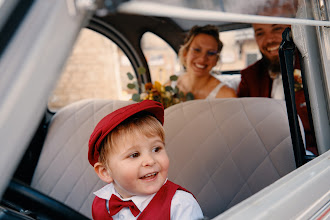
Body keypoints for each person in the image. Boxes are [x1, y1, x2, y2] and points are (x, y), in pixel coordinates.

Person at [88, 100, 204, 219]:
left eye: (156, 149)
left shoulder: (180, 204)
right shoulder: (102, 204)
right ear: (105, 172)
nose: (150, 161)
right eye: (134, 155)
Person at [237, 2, 318, 155]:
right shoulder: (250, 76)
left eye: (276, 29)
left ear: (293, 28)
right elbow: (241, 129)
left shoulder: (316, 66)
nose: (269, 40)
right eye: (260, 33)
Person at [175, 25, 237, 99]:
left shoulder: (226, 95)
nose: (202, 59)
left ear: (216, 60)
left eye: (211, 53)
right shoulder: (171, 85)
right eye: (197, 50)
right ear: (185, 53)